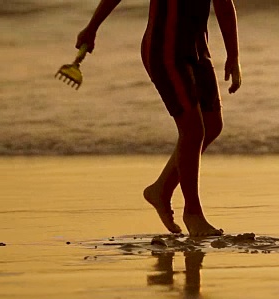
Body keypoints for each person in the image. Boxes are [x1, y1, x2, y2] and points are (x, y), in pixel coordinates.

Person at [76, 0, 242, 236]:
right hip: (164, 50)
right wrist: (92, 28)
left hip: (197, 49)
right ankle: (193, 214)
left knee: (213, 125)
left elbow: (224, 4)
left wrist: (233, 55)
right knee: (193, 130)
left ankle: (161, 190)